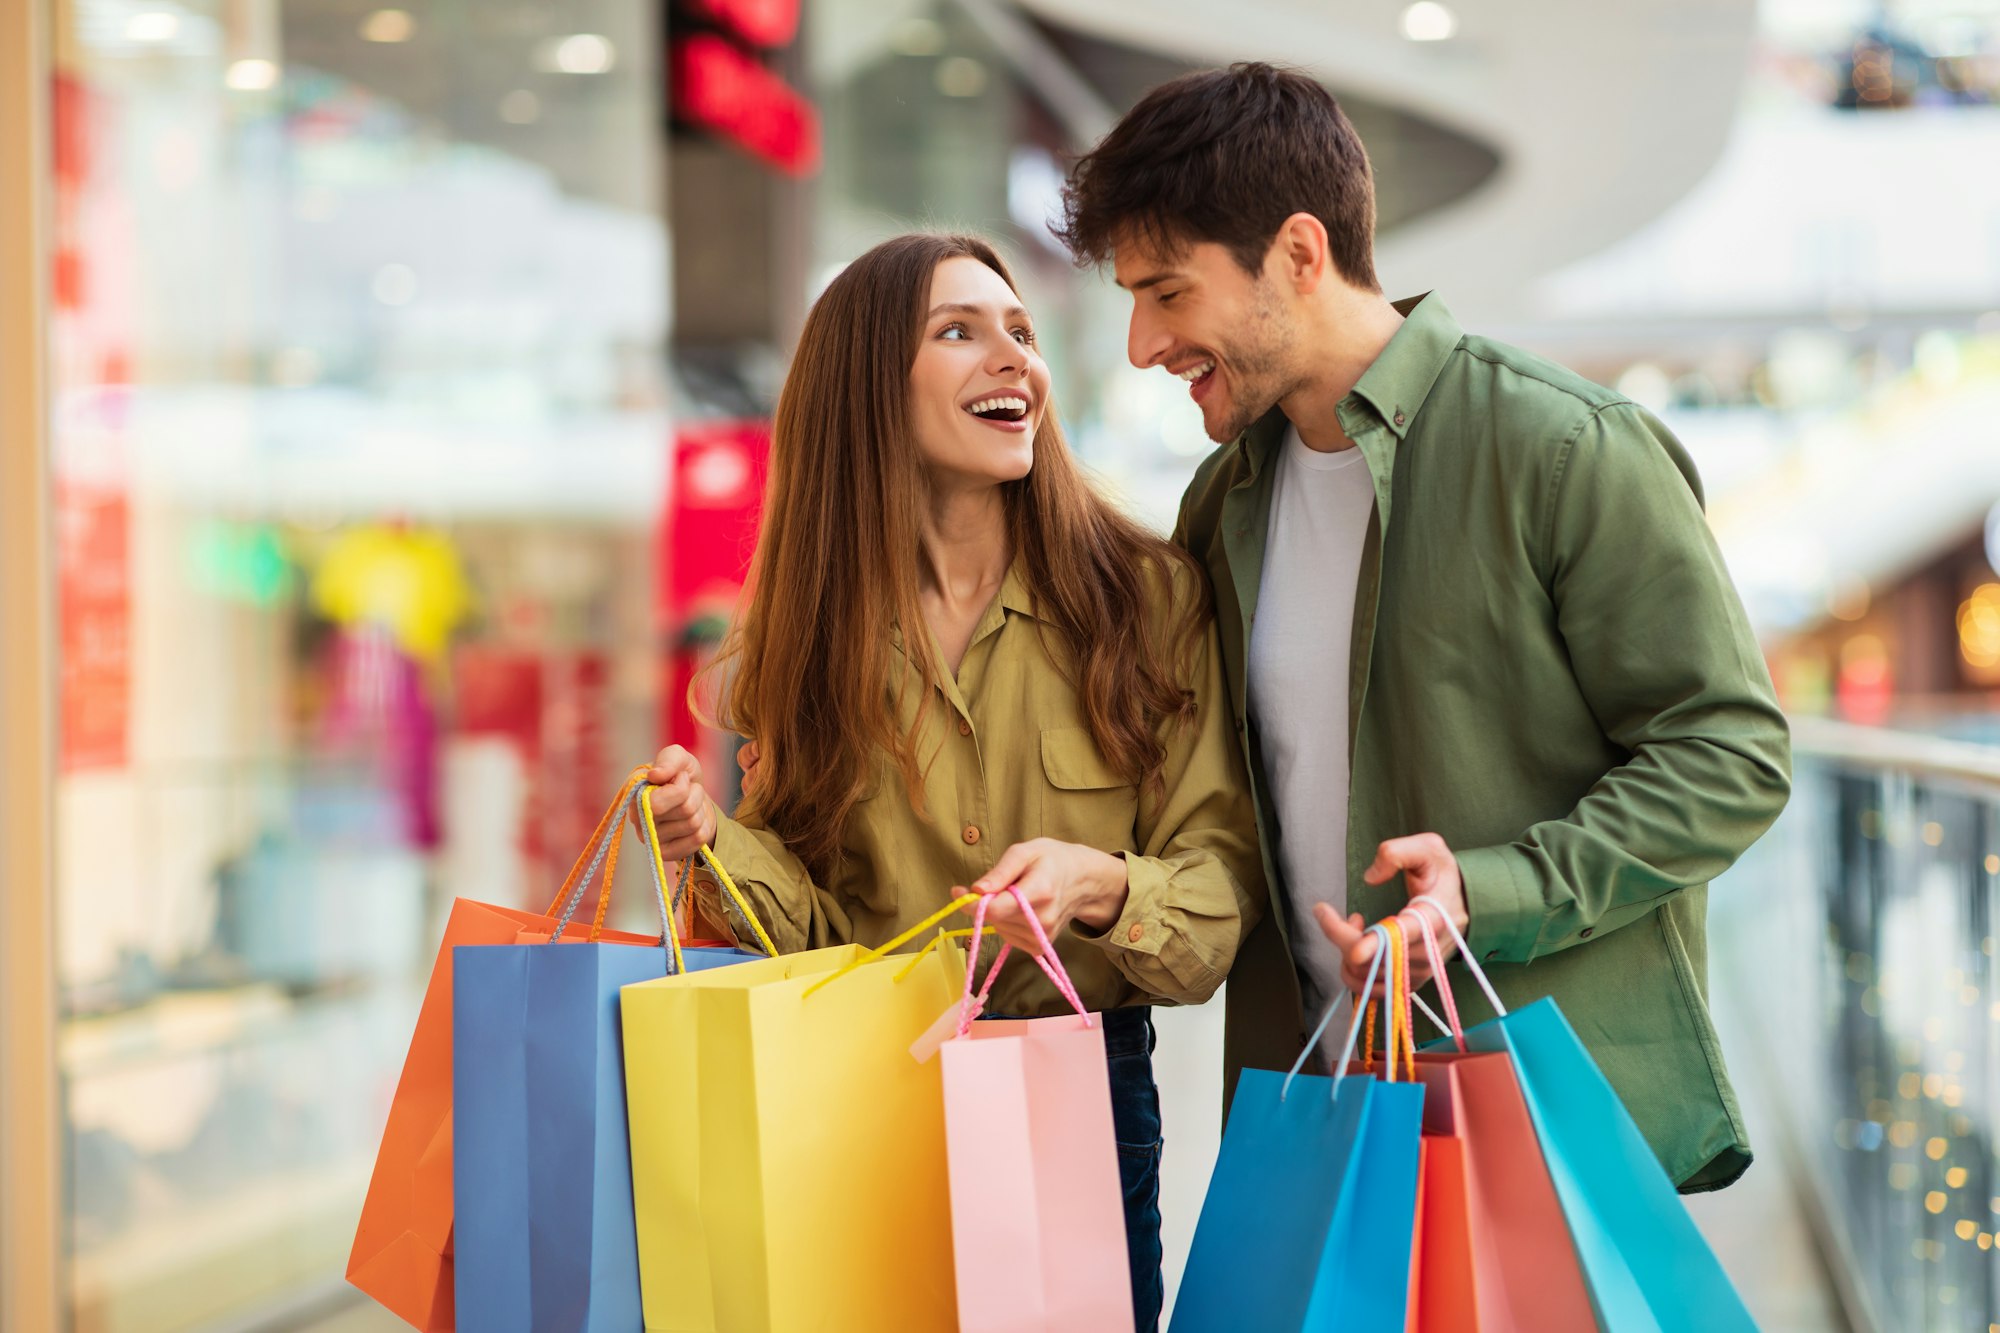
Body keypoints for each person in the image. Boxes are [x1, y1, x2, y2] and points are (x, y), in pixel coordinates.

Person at [1055, 63, 1792, 1192]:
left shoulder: (1562, 449)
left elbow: (1729, 756)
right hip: (1316, 1125)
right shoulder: (1221, 504)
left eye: (1166, 292)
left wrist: (1485, 891)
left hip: (1539, 1136)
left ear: (1298, 255)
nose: (1142, 346)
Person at [640, 231, 1263, 1326]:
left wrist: (1096, 884)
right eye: (959, 332)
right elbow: (819, 930)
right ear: (870, 386)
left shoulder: (1145, 600)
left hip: (1073, 1090)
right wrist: (708, 839)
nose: (1012, 358)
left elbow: (1215, 902)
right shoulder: (804, 639)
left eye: (1020, 332)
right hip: (856, 1090)